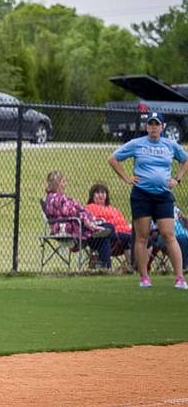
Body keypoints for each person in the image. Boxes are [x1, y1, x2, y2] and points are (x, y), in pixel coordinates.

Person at [107, 111, 188, 289]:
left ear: (162, 127)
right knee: (142, 237)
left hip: (163, 196)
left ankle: (180, 278)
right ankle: (144, 277)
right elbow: (113, 158)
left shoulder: (169, 145)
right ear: (146, 127)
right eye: (150, 124)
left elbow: (185, 159)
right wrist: (127, 178)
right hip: (141, 195)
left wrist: (178, 178)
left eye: (157, 124)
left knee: (169, 235)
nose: (153, 127)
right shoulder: (136, 144)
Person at [43, 171, 114, 268]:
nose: (65, 184)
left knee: (105, 234)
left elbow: (74, 210)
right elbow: (71, 212)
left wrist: (88, 217)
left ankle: (102, 263)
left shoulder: (50, 198)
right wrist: (87, 220)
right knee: (108, 230)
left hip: (74, 225)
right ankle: (105, 265)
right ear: (58, 184)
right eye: (64, 181)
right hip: (73, 228)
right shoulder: (57, 199)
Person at [84, 183, 134, 267]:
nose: (101, 195)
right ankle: (107, 267)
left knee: (135, 238)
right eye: (97, 192)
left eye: (103, 192)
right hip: (99, 238)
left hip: (118, 237)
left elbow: (123, 223)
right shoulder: (89, 208)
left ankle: (132, 267)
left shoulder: (113, 209)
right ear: (92, 196)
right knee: (106, 235)